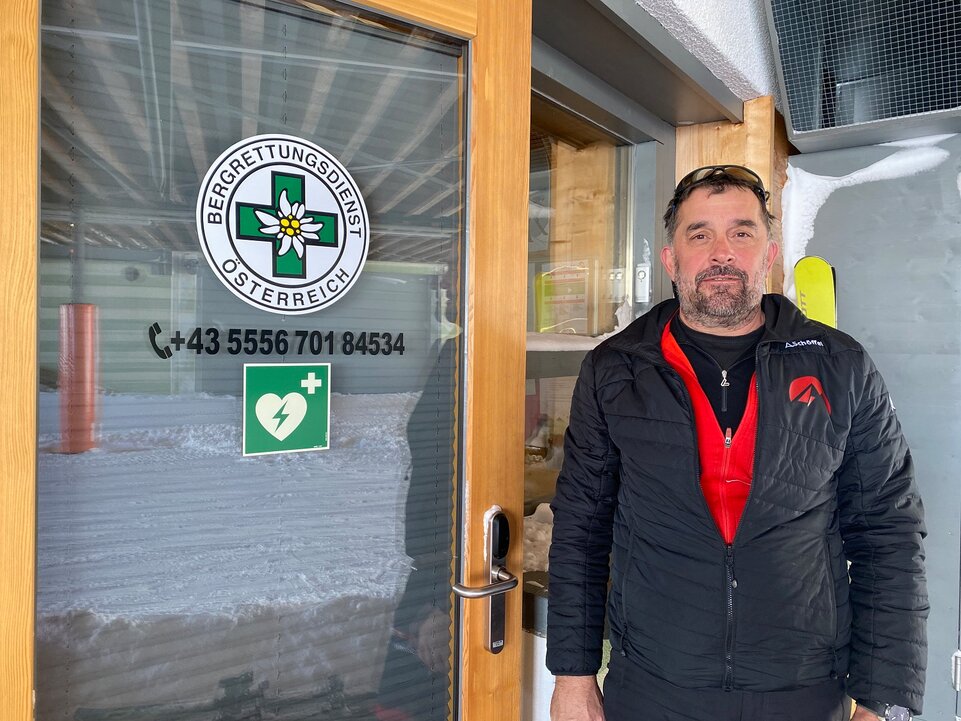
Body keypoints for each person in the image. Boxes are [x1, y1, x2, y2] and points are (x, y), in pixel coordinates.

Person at [546, 165, 928, 721]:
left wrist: (883, 697)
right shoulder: (615, 371)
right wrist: (573, 676)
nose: (721, 252)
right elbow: (581, 529)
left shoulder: (841, 366)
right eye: (699, 234)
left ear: (769, 254)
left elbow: (889, 533)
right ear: (672, 259)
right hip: (653, 684)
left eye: (742, 232)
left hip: (803, 687)